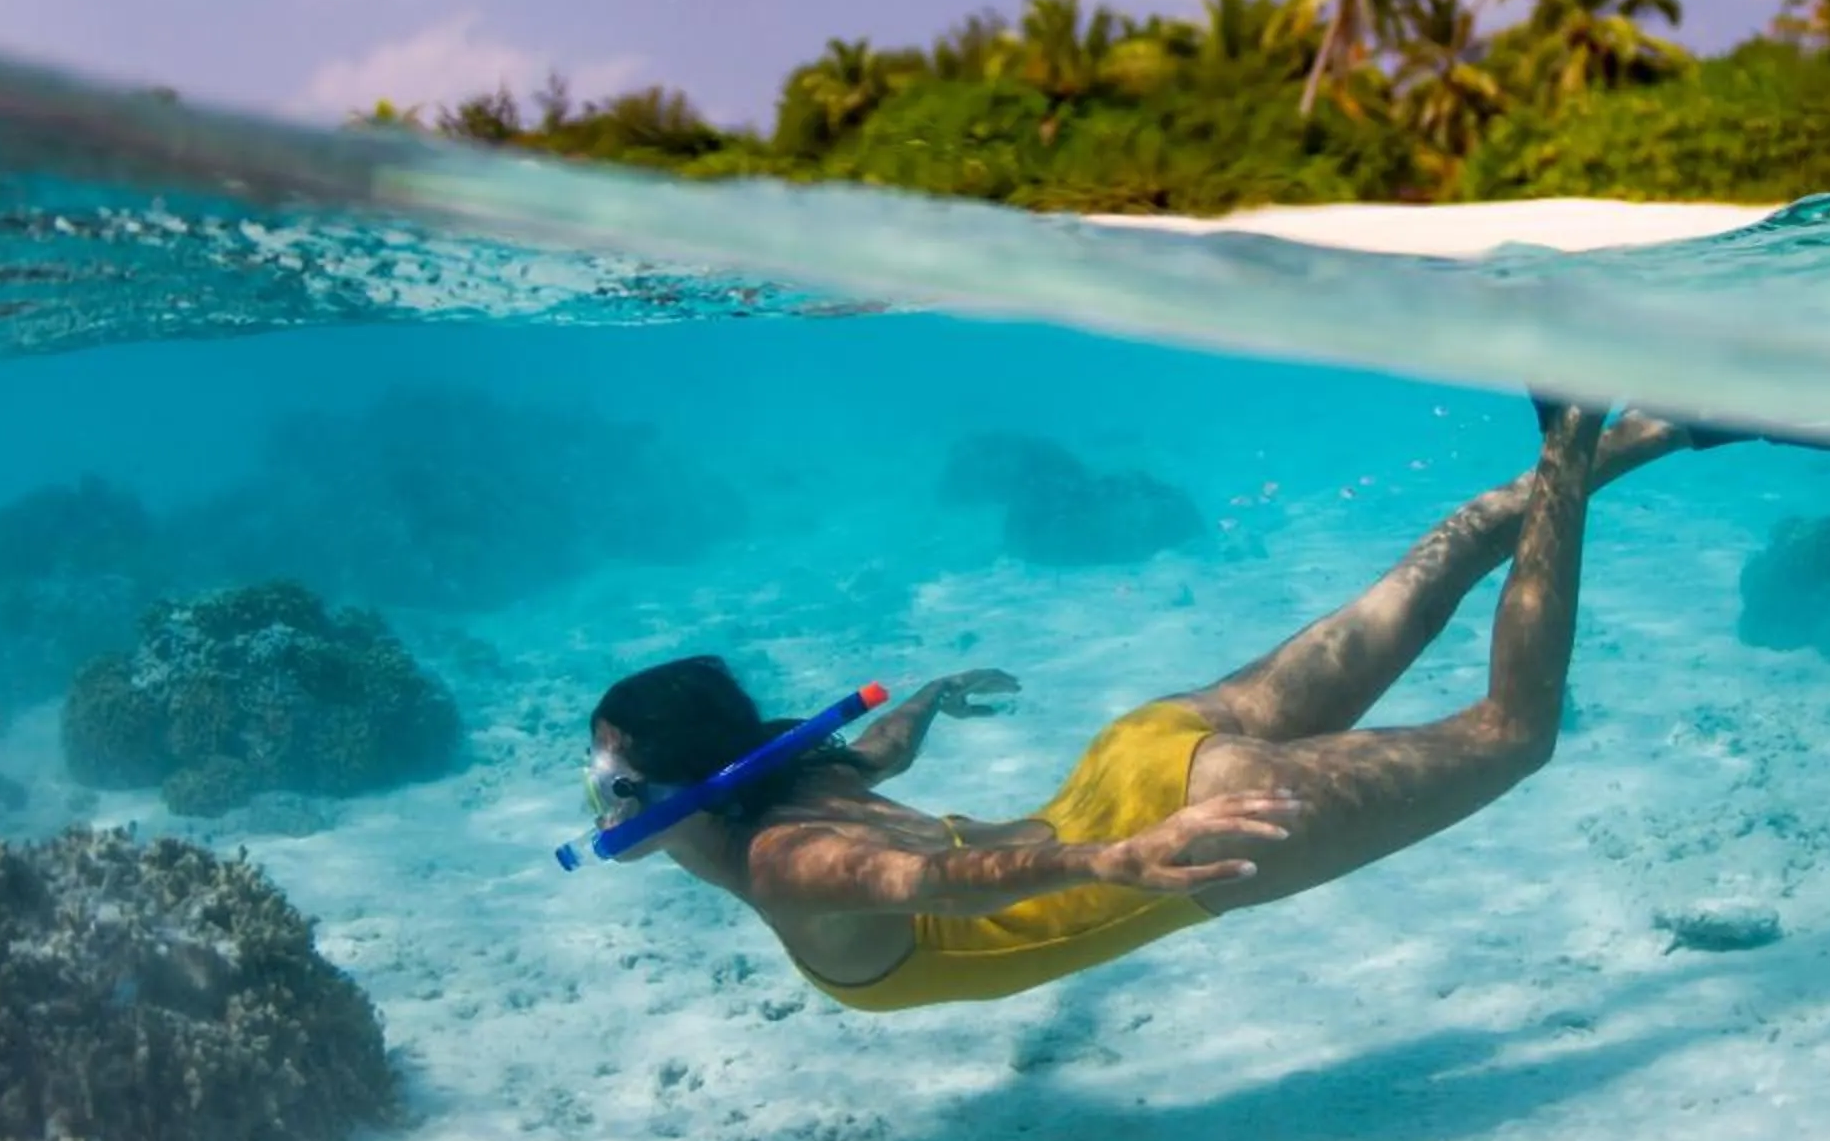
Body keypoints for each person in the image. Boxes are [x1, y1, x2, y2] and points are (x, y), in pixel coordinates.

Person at [581, 401, 1712, 1011]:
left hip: (1182, 827)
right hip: (1133, 755)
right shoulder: (789, 778)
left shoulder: (780, 859)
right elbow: (877, 750)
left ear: (684, 777)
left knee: (1512, 731)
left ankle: (1574, 423)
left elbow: (940, 880)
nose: (600, 798)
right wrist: (926, 699)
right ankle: (1671, 428)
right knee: (1431, 578)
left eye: (613, 780)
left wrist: (1120, 863)